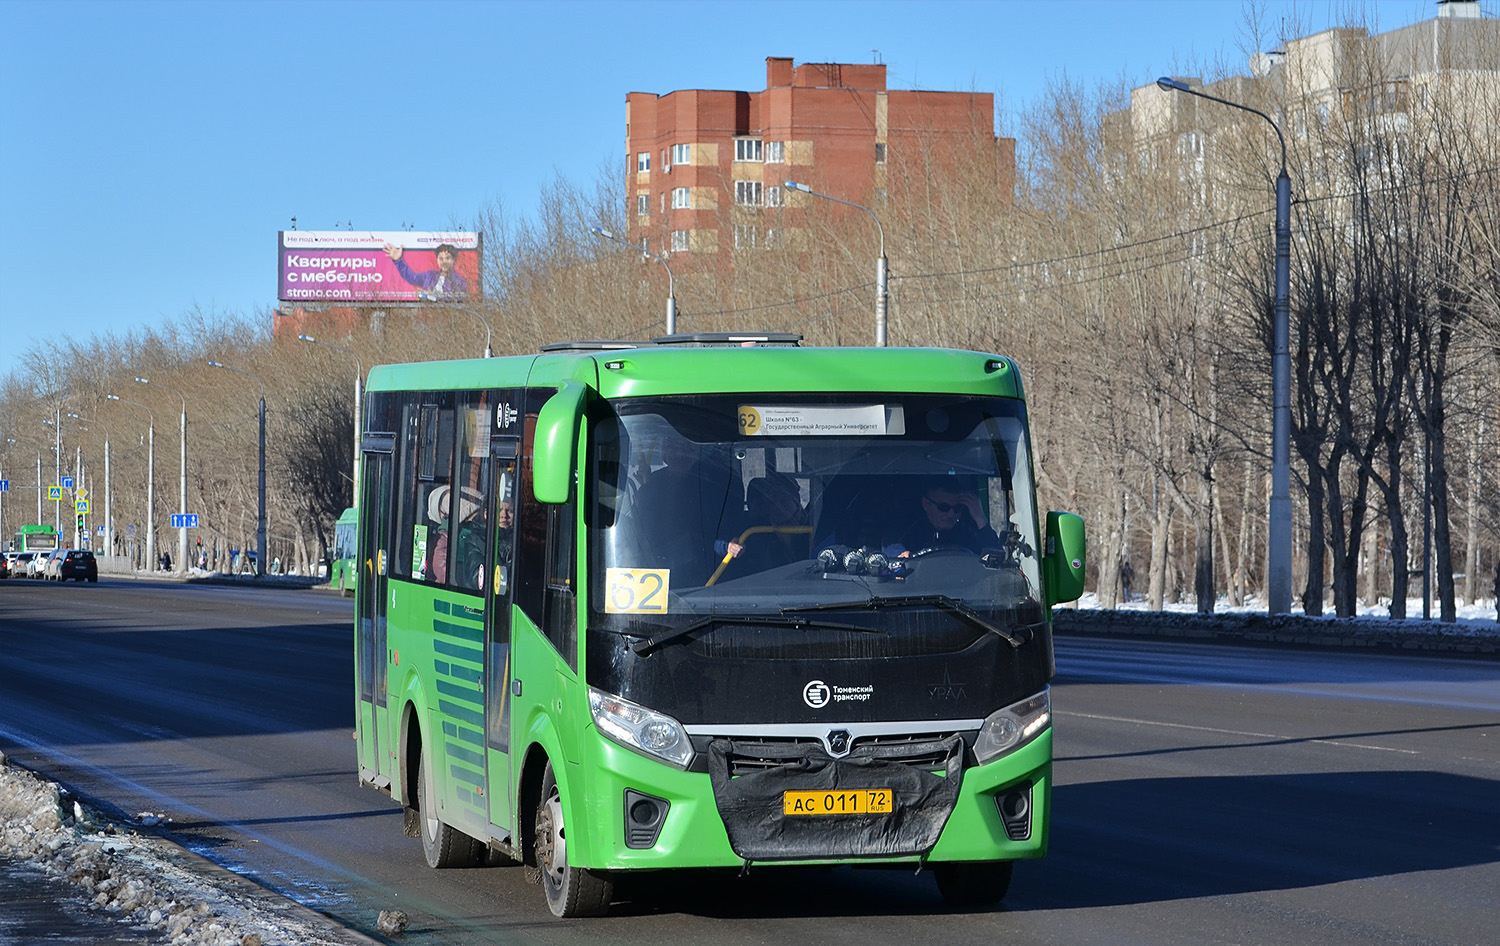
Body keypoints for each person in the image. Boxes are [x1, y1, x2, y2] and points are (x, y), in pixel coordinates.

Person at [715, 474, 808, 580]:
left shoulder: (812, 530)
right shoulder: (752, 535)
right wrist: (727, 547)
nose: (778, 507)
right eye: (772, 502)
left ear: (796, 502)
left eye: (784, 501)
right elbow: (711, 546)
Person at [886, 478, 1002, 558]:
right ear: (926, 504)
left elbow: (995, 559)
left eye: (957, 508)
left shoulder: (967, 533)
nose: (951, 514)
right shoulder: (906, 530)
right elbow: (889, 551)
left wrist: (980, 518)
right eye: (944, 507)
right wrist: (901, 556)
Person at [384, 242, 468, 299]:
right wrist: (398, 260)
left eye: (447, 258)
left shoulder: (459, 280)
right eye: (441, 258)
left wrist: (433, 296)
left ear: (453, 260)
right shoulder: (430, 275)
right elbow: (411, 277)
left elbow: (459, 297)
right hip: (427, 316)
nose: (444, 262)